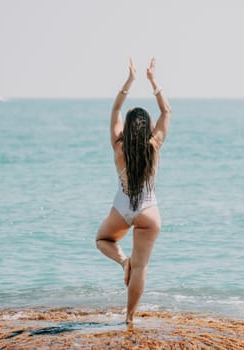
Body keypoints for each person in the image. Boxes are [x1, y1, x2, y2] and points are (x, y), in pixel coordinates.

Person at [96, 56, 171, 324]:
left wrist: (130, 79)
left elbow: (115, 111)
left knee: (102, 240)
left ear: (127, 129)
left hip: (122, 207)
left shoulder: (118, 147)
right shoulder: (154, 146)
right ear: (148, 128)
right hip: (148, 212)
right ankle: (129, 319)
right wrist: (153, 81)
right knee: (141, 268)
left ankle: (122, 262)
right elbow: (167, 112)